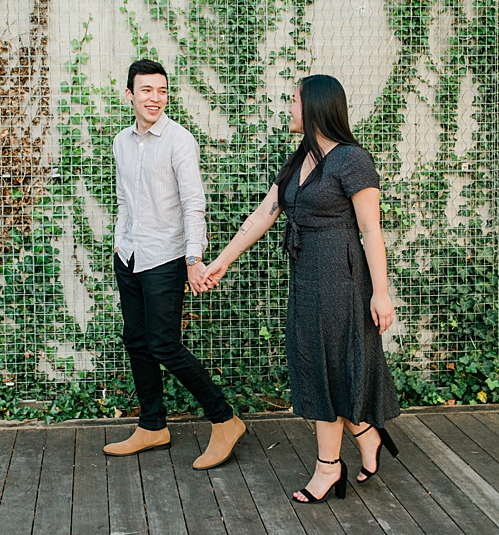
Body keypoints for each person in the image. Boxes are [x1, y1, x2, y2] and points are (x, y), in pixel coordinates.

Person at [201, 74, 400, 502]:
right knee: (315, 364)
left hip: (342, 282)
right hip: (307, 280)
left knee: (330, 369)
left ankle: (328, 468)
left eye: (293, 100)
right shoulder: (301, 159)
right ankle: (367, 435)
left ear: (315, 108)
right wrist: (220, 263)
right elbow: (263, 216)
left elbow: (371, 229)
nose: (288, 108)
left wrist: (380, 293)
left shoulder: (352, 160)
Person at [102, 59, 247, 470]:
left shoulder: (180, 141)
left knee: (164, 344)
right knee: (137, 341)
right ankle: (152, 426)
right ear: (129, 94)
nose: (155, 98)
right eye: (146, 90)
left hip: (166, 257)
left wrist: (193, 258)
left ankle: (224, 419)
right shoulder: (121, 142)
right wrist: (120, 245)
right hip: (129, 254)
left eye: (162, 90)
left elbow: (193, 203)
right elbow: (125, 202)